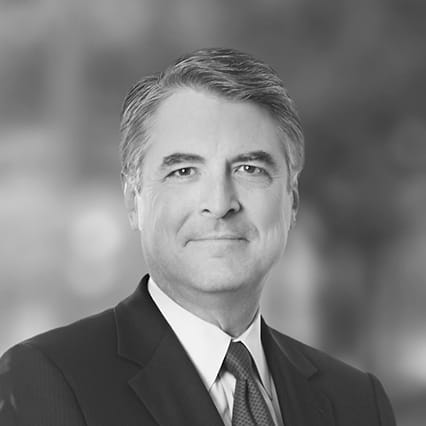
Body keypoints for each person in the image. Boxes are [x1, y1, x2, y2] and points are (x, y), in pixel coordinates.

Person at [0, 47, 396, 426]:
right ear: (134, 199)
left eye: (249, 169)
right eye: (184, 172)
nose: (220, 204)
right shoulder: (47, 381)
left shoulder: (357, 401)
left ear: (291, 198)